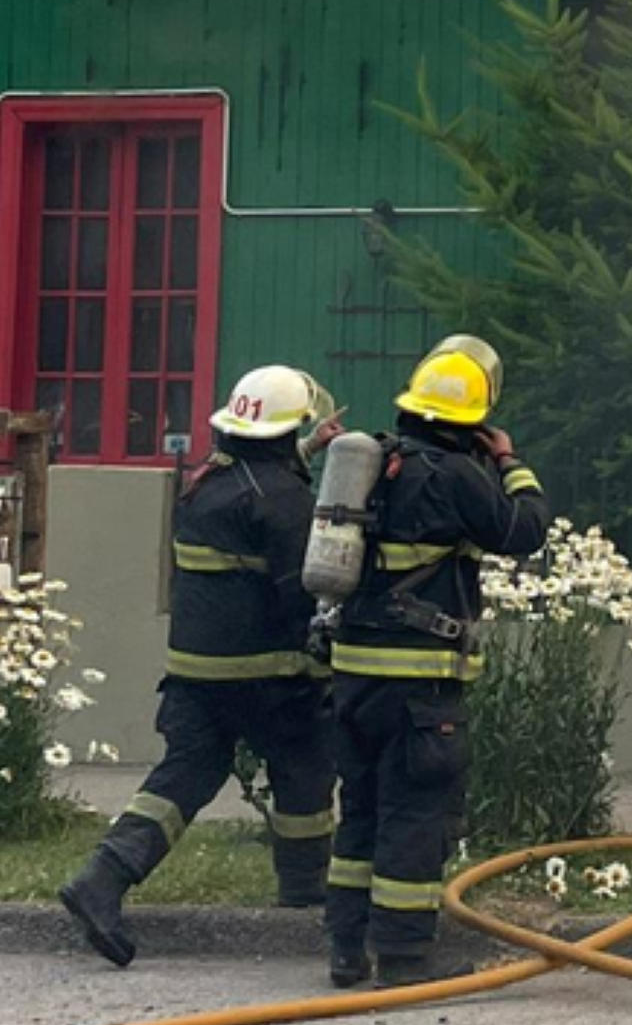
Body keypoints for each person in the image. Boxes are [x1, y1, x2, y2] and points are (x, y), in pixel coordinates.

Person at [59, 365, 341, 967]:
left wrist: (308, 451)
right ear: (285, 434)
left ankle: (101, 881)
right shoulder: (286, 500)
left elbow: (259, 496)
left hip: (194, 676)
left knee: (182, 780)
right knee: (304, 767)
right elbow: (301, 592)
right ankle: (305, 893)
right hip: (268, 676)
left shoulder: (206, 484)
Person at [324, 334, 548, 989]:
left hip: (356, 676)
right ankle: (402, 956)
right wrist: (511, 462)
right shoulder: (455, 475)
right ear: (473, 424)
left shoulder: (375, 463)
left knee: (360, 809)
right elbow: (525, 529)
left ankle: (345, 949)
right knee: (414, 817)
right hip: (420, 685)